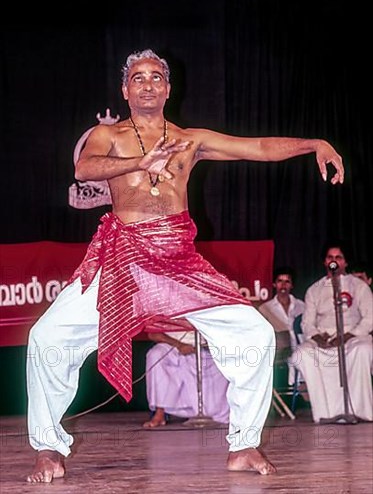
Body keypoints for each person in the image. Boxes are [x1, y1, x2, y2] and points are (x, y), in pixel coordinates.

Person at [26, 48, 344, 483]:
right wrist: (141, 161)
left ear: (168, 88)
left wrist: (314, 144)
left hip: (178, 261)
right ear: (125, 89)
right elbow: (85, 169)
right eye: (139, 78)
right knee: (47, 337)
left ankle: (243, 444)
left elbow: (258, 148)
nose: (148, 84)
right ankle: (47, 447)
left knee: (254, 332)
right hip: (121, 257)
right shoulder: (110, 136)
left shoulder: (190, 139)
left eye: (156, 77)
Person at [289, 241, 373, 423]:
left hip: (352, 337)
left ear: (345, 262)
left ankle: (360, 411)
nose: (333, 261)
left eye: (338, 257)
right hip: (324, 338)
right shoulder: (314, 290)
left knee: (363, 349)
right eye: (330, 257)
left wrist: (349, 335)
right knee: (302, 354)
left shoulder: (358, 286)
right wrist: (319, 338)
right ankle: (324, 413)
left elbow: (369, 318)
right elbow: (307, 322)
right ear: (324, 262)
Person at [142, 330, 229, 428]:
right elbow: (153, 334)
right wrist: (179, 345)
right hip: (172, 346)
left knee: (225, 359)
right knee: (156, 354)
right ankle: (159, 413)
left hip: (204, 348)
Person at [258, 267, 306, 385]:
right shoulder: (265, 309)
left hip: (303, 351)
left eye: (287, 281)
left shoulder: (302, 306)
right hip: (279, 355)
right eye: (280, 281)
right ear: (274, 284)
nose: (283, 285)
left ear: (292, 285)